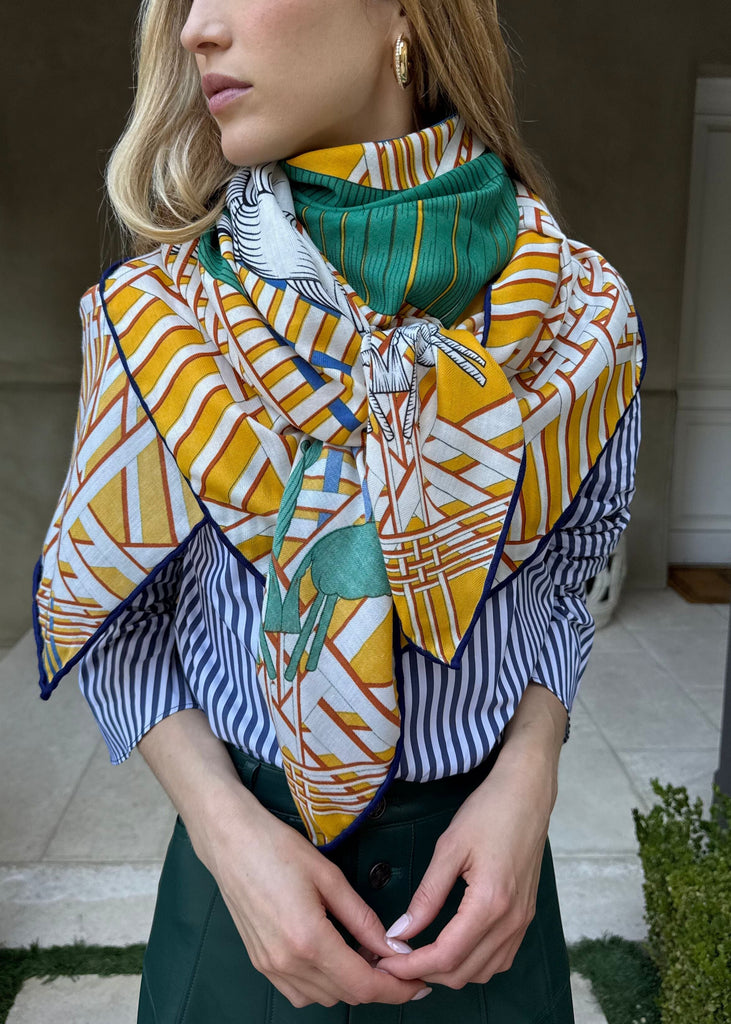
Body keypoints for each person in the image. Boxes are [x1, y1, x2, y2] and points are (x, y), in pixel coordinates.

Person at [32, 0, 645, 1020]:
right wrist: (228, 837)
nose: (195, 30)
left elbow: (571, 563)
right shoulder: (161, 319)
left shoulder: (584, 315)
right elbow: (116, 620)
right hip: (246, 910)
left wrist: (528, 770)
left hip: (481, 902)